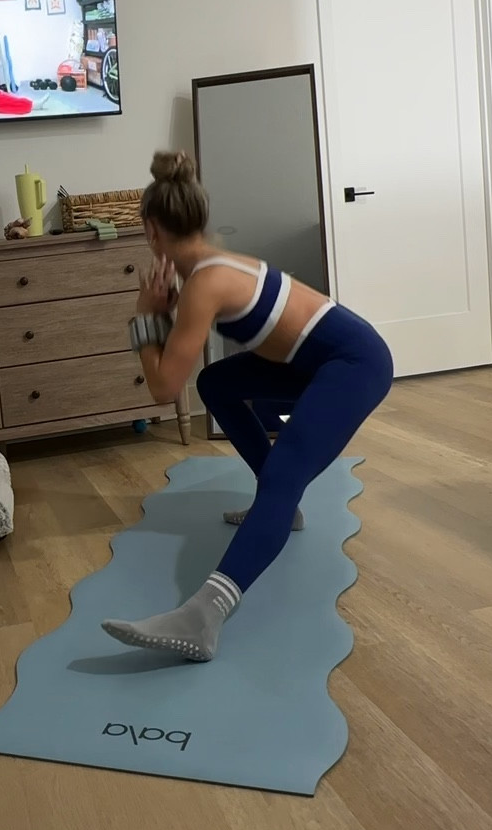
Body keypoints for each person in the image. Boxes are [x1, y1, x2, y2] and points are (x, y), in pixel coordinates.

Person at [102, 151, 393, 662]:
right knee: (217, 384)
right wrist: (166, 314)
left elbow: (164, 388)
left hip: (355, 367)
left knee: (286, 476)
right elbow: (191, 373)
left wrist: (145, 318)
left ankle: (202, 618)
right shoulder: (213, 269)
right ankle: (279, 507)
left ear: (150, 231)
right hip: (315, 363)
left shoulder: (205, 283)